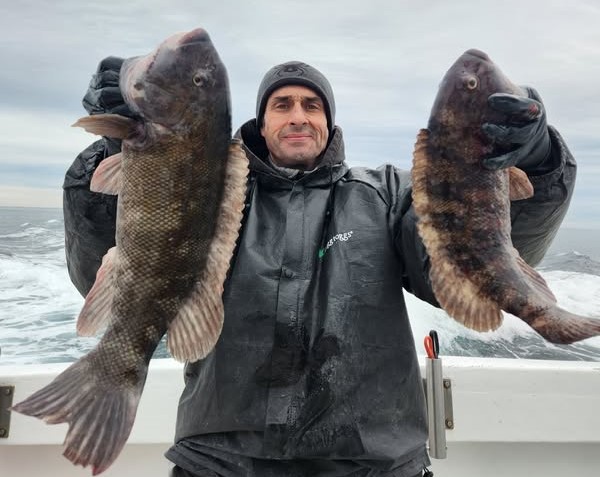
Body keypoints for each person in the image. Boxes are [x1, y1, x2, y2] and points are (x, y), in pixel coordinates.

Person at [63, 56, 576, 477]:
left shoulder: (389, 195)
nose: (298, 116)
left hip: (374, 465)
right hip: (217, 462)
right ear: (262, 122)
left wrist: (537, 160)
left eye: (312, 105)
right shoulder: (204, 191)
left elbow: (476, 268)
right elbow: (109, 268)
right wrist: (123, 146)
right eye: (282, 104)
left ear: (329, 120)